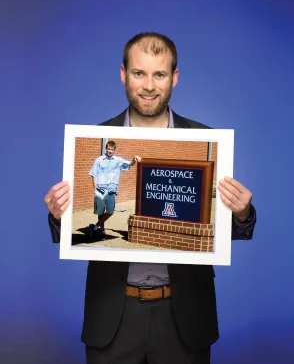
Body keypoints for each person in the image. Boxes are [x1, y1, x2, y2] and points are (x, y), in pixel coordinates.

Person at [44, 32, 257, 364]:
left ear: (174, 78)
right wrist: (59, 216)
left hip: (183, 317)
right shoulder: (93, 141)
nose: (148, 85)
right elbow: (68, 234)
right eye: (138, 73)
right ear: (123, 74)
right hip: (113, 316)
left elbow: (222, 231)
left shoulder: (205, 141)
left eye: (159, 74)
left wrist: (242, 214)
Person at [88, 140, 141, 240]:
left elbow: (129, 164)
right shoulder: (99, 160)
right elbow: (94, 175)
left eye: (112, 149)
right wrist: (95, 189)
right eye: (108, 149)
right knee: (100, 212)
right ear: (106, 149)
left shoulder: (117, 161)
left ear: (114, 150)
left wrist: (134, 159)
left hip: (111, 191)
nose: (110, 151)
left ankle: (95, 227)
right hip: (100, 190)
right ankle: (102, 231)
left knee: (110, 211)